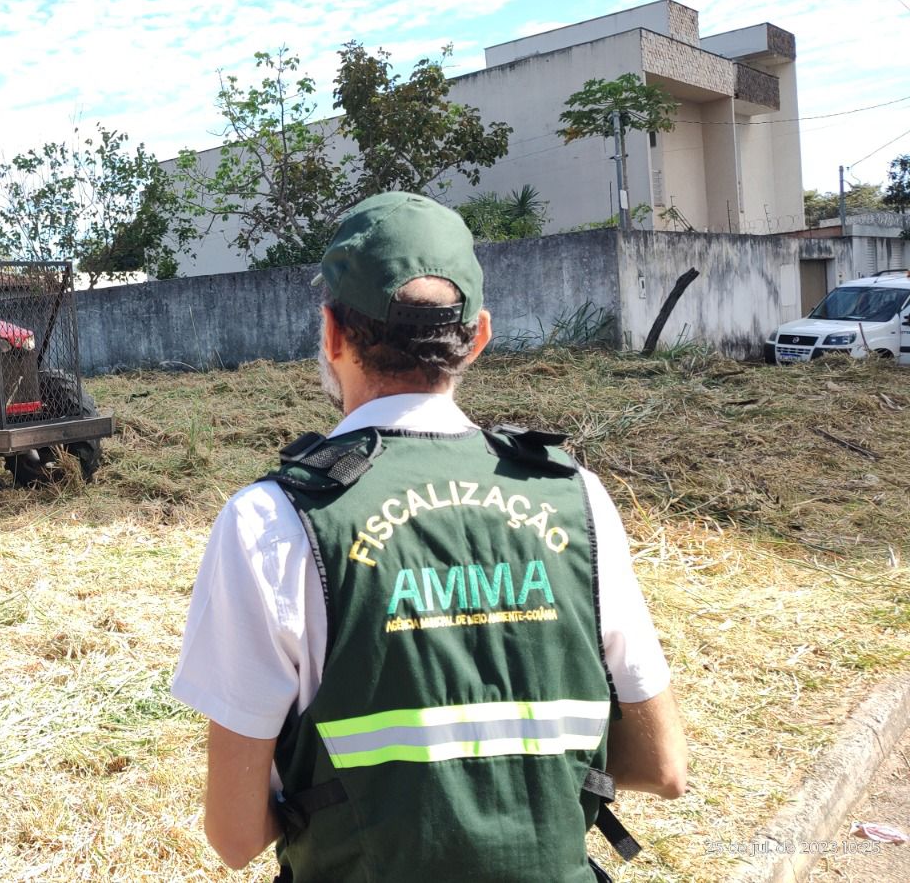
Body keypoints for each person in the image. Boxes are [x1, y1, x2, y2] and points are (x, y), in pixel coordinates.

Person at [171, 192, 688, 882]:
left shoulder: (271, 521)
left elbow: (235, 835)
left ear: (331, 334)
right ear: (476, 337)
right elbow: (660, 768)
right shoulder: (572, 496)